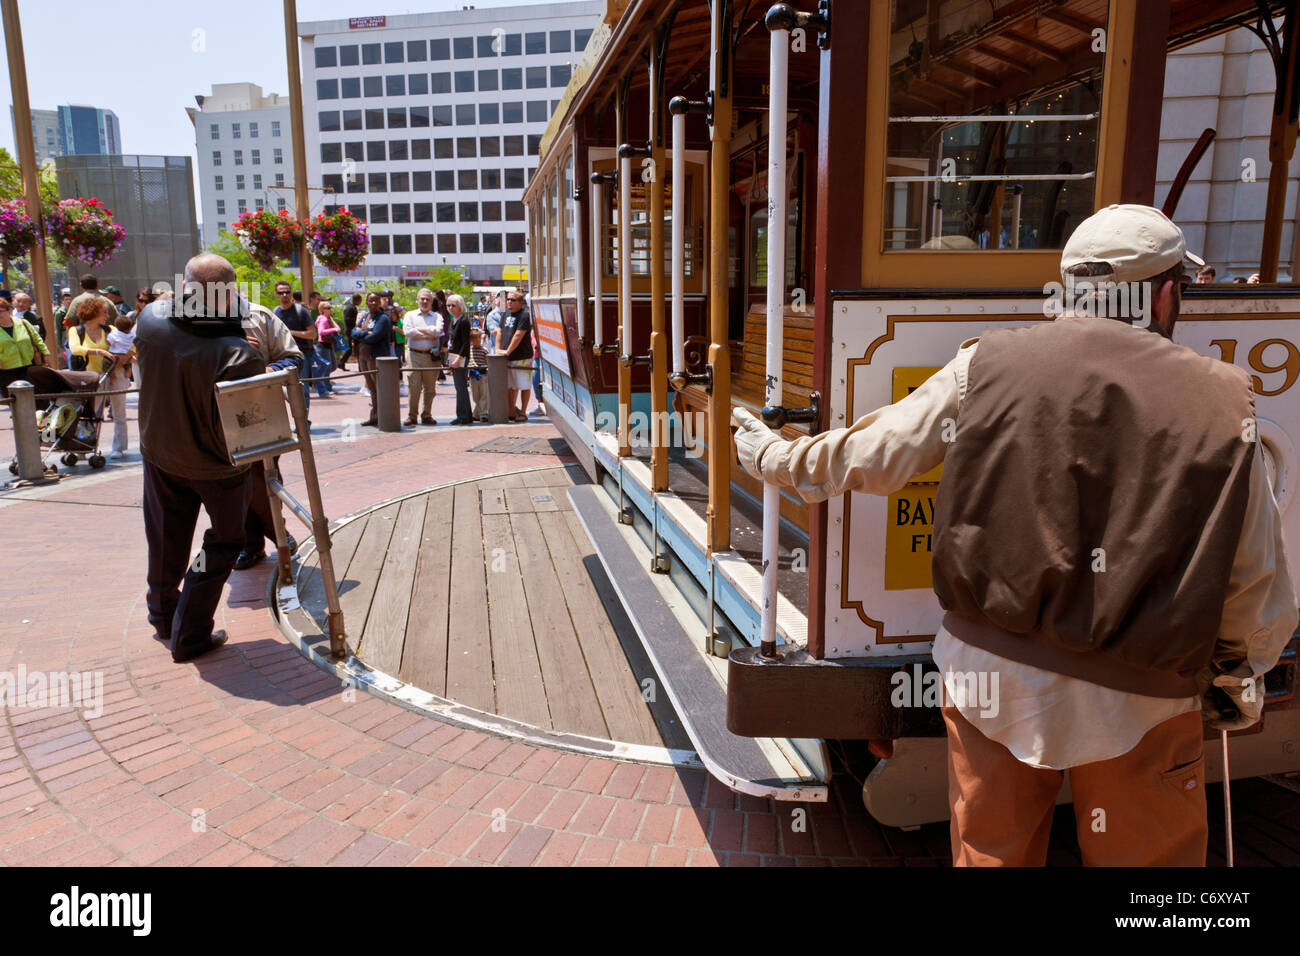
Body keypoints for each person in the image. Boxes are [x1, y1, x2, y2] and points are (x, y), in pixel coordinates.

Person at [731, 204, 1298, 867]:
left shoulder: (986, 363)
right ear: (1166, 293)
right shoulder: (1222, 401)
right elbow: (1257, 577)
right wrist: (1240, 675)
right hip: (1141, 697)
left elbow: (871, 456)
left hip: (989, 677)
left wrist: (771, 457)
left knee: (991, 857)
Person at [135, 253, 265, 663]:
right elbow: (250, 424)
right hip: (217, 466)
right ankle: (189, 633)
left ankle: (162, 615)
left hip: (160, 450)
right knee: (225, 542)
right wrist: (243, 342)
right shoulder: (240, 353)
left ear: (185, 288)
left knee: (165, 537)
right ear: (230, 296)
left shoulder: (151, 318)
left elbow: (184, 320)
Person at [235, 301, 303, 570]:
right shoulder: (192, 317)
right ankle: (252, 543)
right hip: (215, 416)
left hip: (260, 412)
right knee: (231, 485)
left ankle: (277, 531)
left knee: (263, 475)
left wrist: (268, 370)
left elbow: (293, 357)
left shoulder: (259, 315)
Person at [351, 291, 394, 427]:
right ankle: (374, 416)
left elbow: (374, 337)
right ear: (366, 302)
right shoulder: (365, 316)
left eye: (376, 300)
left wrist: (361, 334)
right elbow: (353, 332)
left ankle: (383, 417)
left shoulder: (383, 318)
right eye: (371, 300)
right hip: (363, 356)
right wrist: (364, 332)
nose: (374, 303)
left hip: (375, 357)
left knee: (379, 388)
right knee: (371, 389)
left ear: (380, 302)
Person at [273, 280, 317, 412]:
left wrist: (290, 333)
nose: (284, 295)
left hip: (301, 355)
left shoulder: (300, 311)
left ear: (291, 292)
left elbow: (312, 334)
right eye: (281, 292)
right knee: (280, 390)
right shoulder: (275, 312)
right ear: (276, 294)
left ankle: (304, 423)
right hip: (282, 357)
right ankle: (295, 420)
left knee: (302, 390)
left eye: (287, 291)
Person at [403, 288, 442, 425]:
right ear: (417, 300)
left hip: (431, 356)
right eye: (422, 299)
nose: (425, 301)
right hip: (414, 356)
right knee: (413, 388)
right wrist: (429, 333)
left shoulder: (437, 316)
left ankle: (427, 415)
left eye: (428, 299)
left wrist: (418, 331)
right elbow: (408, 332)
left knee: (430, 388)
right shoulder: (409, 315)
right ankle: (412, 416)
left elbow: (438, 331)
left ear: (432, 301)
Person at [496, 290, 534, 420]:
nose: (509, 302)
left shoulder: (524, 315)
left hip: (522, 357)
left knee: (524, 385)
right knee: (510, 386)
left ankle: (523, 412)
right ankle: (511, 411)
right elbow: (499, 331)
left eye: (513, 300)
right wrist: (497, 348)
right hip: (507, 356)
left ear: (520, 302)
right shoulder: (505, 314)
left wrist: (507, 351)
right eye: (508, 299)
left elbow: (518, 335)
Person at [105, 314, 136, 458]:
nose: (107, 315)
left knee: (119, 412)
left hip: (115, 364)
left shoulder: (112, 334)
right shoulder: (130, 336)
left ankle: (119, 446)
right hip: (119, 366)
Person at [445, 293, 473, 425]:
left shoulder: (464, 321)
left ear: (460, 306)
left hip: (461, 357)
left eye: (453, 305)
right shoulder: (453, 320)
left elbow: (465, 343)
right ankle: (462, 414)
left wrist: (458, 359)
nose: (450, 307)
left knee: (461, 386)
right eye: (448, 305)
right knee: (458, 387)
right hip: (453, 355)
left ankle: (464, 416)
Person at [67, 296, 113, 375]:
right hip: (86, 379)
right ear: (94, 312)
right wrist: (100, 352)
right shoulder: (75, 331)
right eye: (104, 312)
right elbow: (75, 349)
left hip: (108, 378)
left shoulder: (110, 330)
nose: (108, 316)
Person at [468, 318, 490, 422]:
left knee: (484, 394)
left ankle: (483, 413)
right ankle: (476, 413)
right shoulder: (469, 351)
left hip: (483, 374)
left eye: (478, 338)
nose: (476, 340)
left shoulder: (484, 350)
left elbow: (488, 362)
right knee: (475, 396)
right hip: (473, 375)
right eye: (473, 338)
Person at [340, 292, 361, 371]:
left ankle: (342, 363)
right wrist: (355, 324)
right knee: (350, 349)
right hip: (350, 331)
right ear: (356, 300)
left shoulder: (352, 307)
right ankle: (341, 363)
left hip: (351, 330)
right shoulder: (350, 308)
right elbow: (347, 319)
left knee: (351, 349)